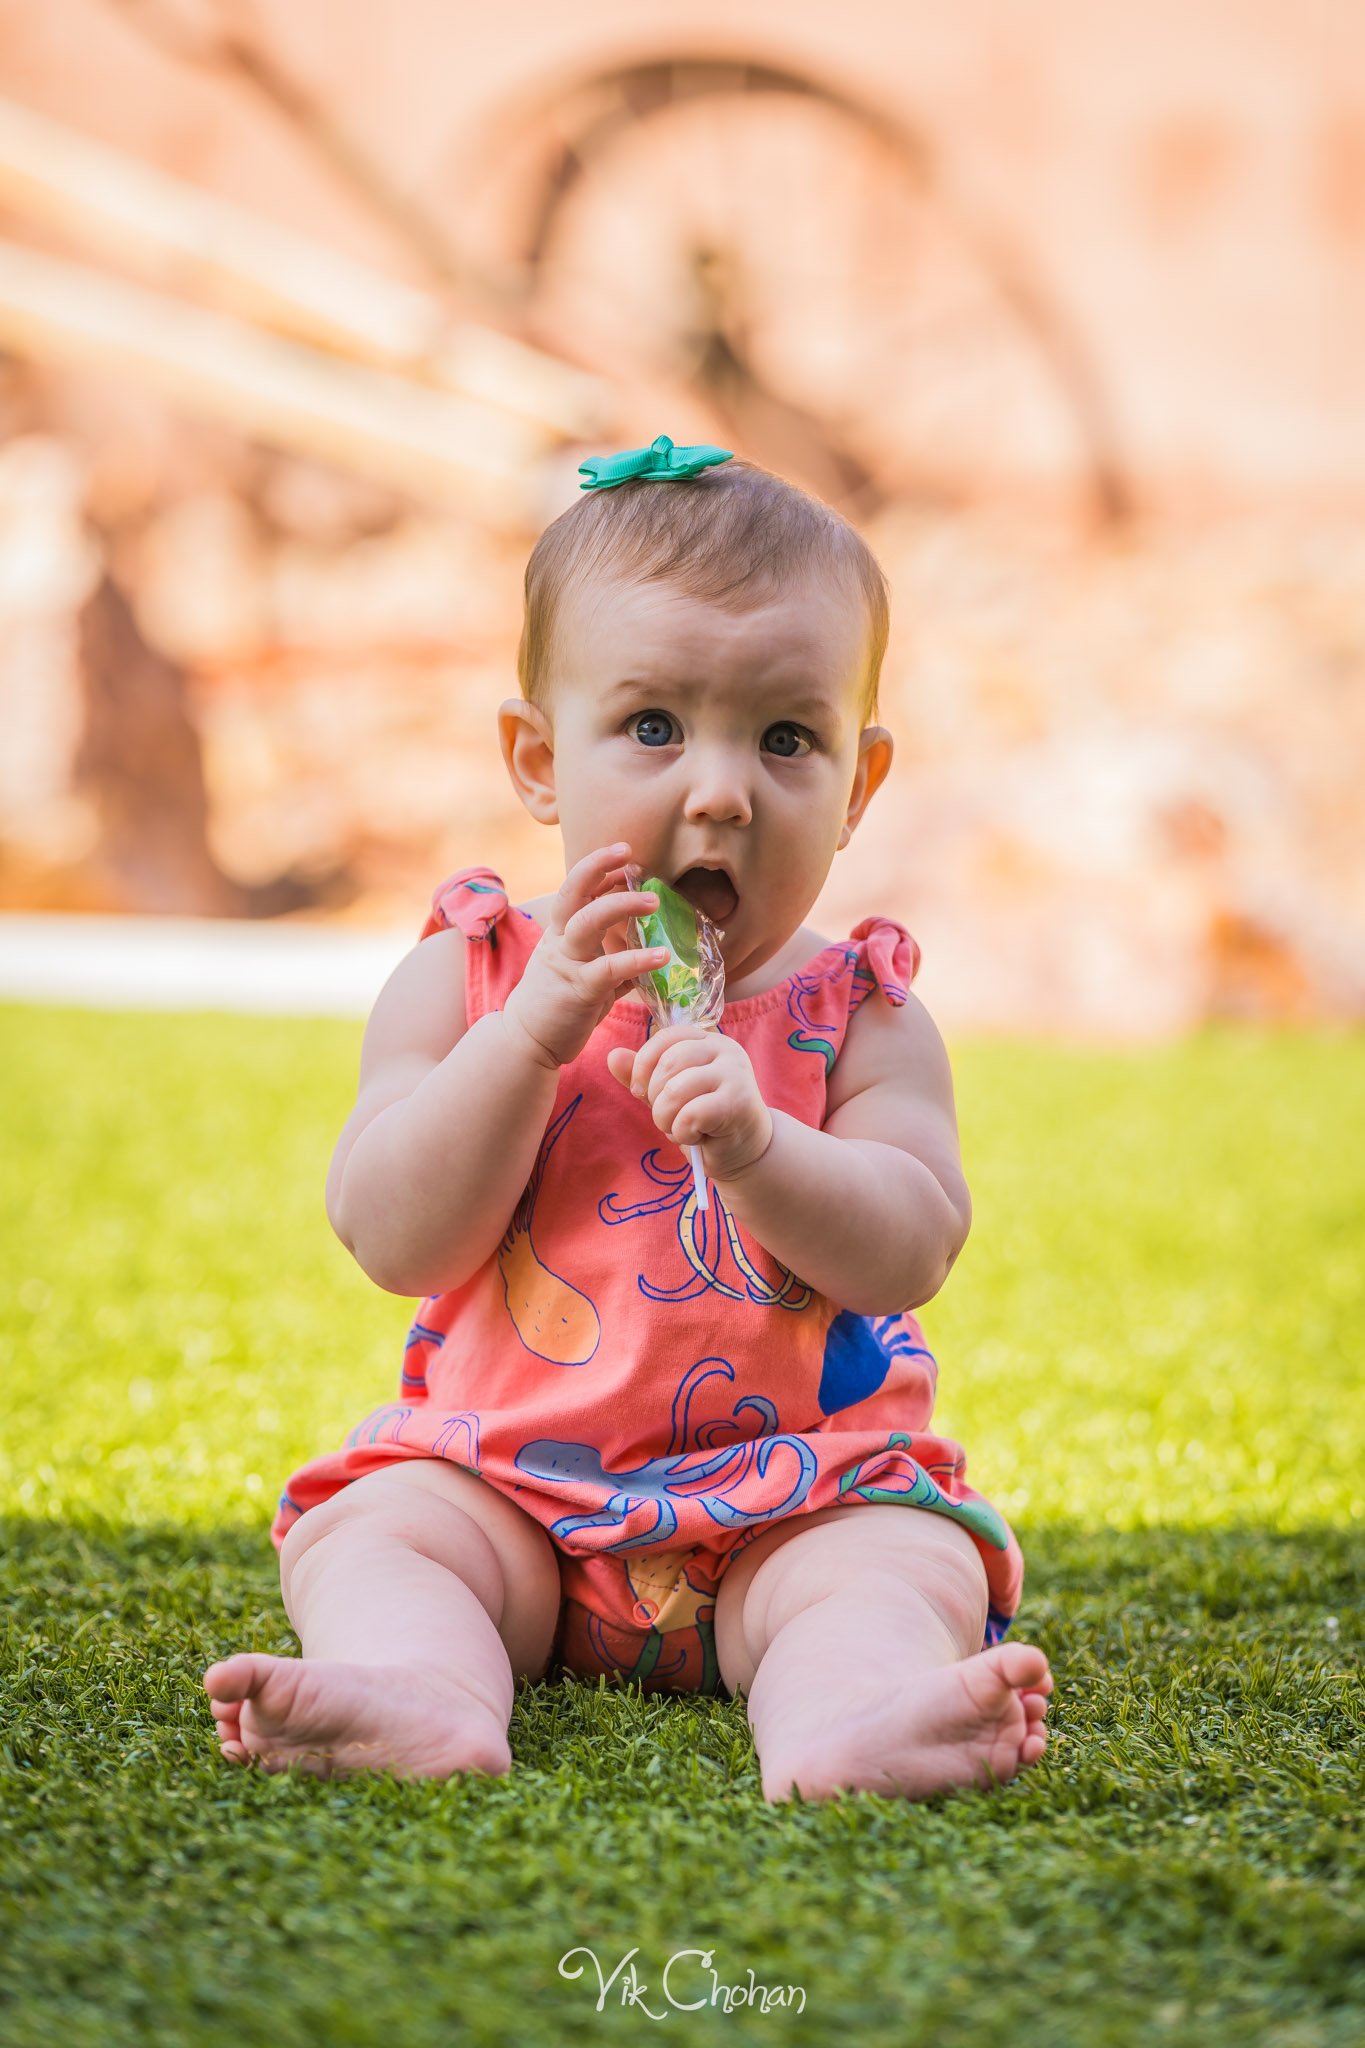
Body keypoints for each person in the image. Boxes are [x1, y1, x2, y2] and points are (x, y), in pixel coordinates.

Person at [203, 432, 1052, 1800]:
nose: (719, 790)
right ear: (538, 761)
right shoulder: (467, 974)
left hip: (800, 1497)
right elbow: (391, 1235)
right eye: (653, 726)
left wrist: (765, 1149)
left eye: (786, 738)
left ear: (859, 785)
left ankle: (848, 1720)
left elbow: (910, 1249)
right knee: (376, 1532)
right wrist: (528, 1038)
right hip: (508, 1494)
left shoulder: (862, 1009)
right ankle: (424, 1692)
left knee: (898, 1564)